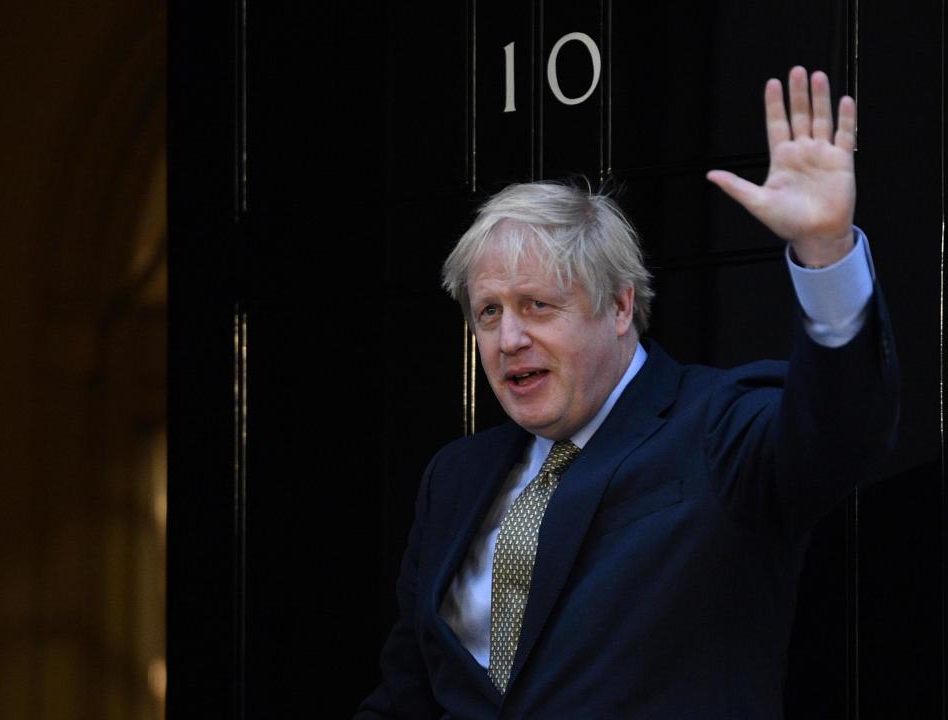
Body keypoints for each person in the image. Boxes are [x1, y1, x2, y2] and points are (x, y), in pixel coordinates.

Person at [356, 67, 898, 718]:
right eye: (489, 313)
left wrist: (825, 253)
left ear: (619, 306)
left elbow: (841, 434)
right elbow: (407, 694)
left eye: (537, 305)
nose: (510, 339)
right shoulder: (455, 477)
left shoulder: (715, 430)